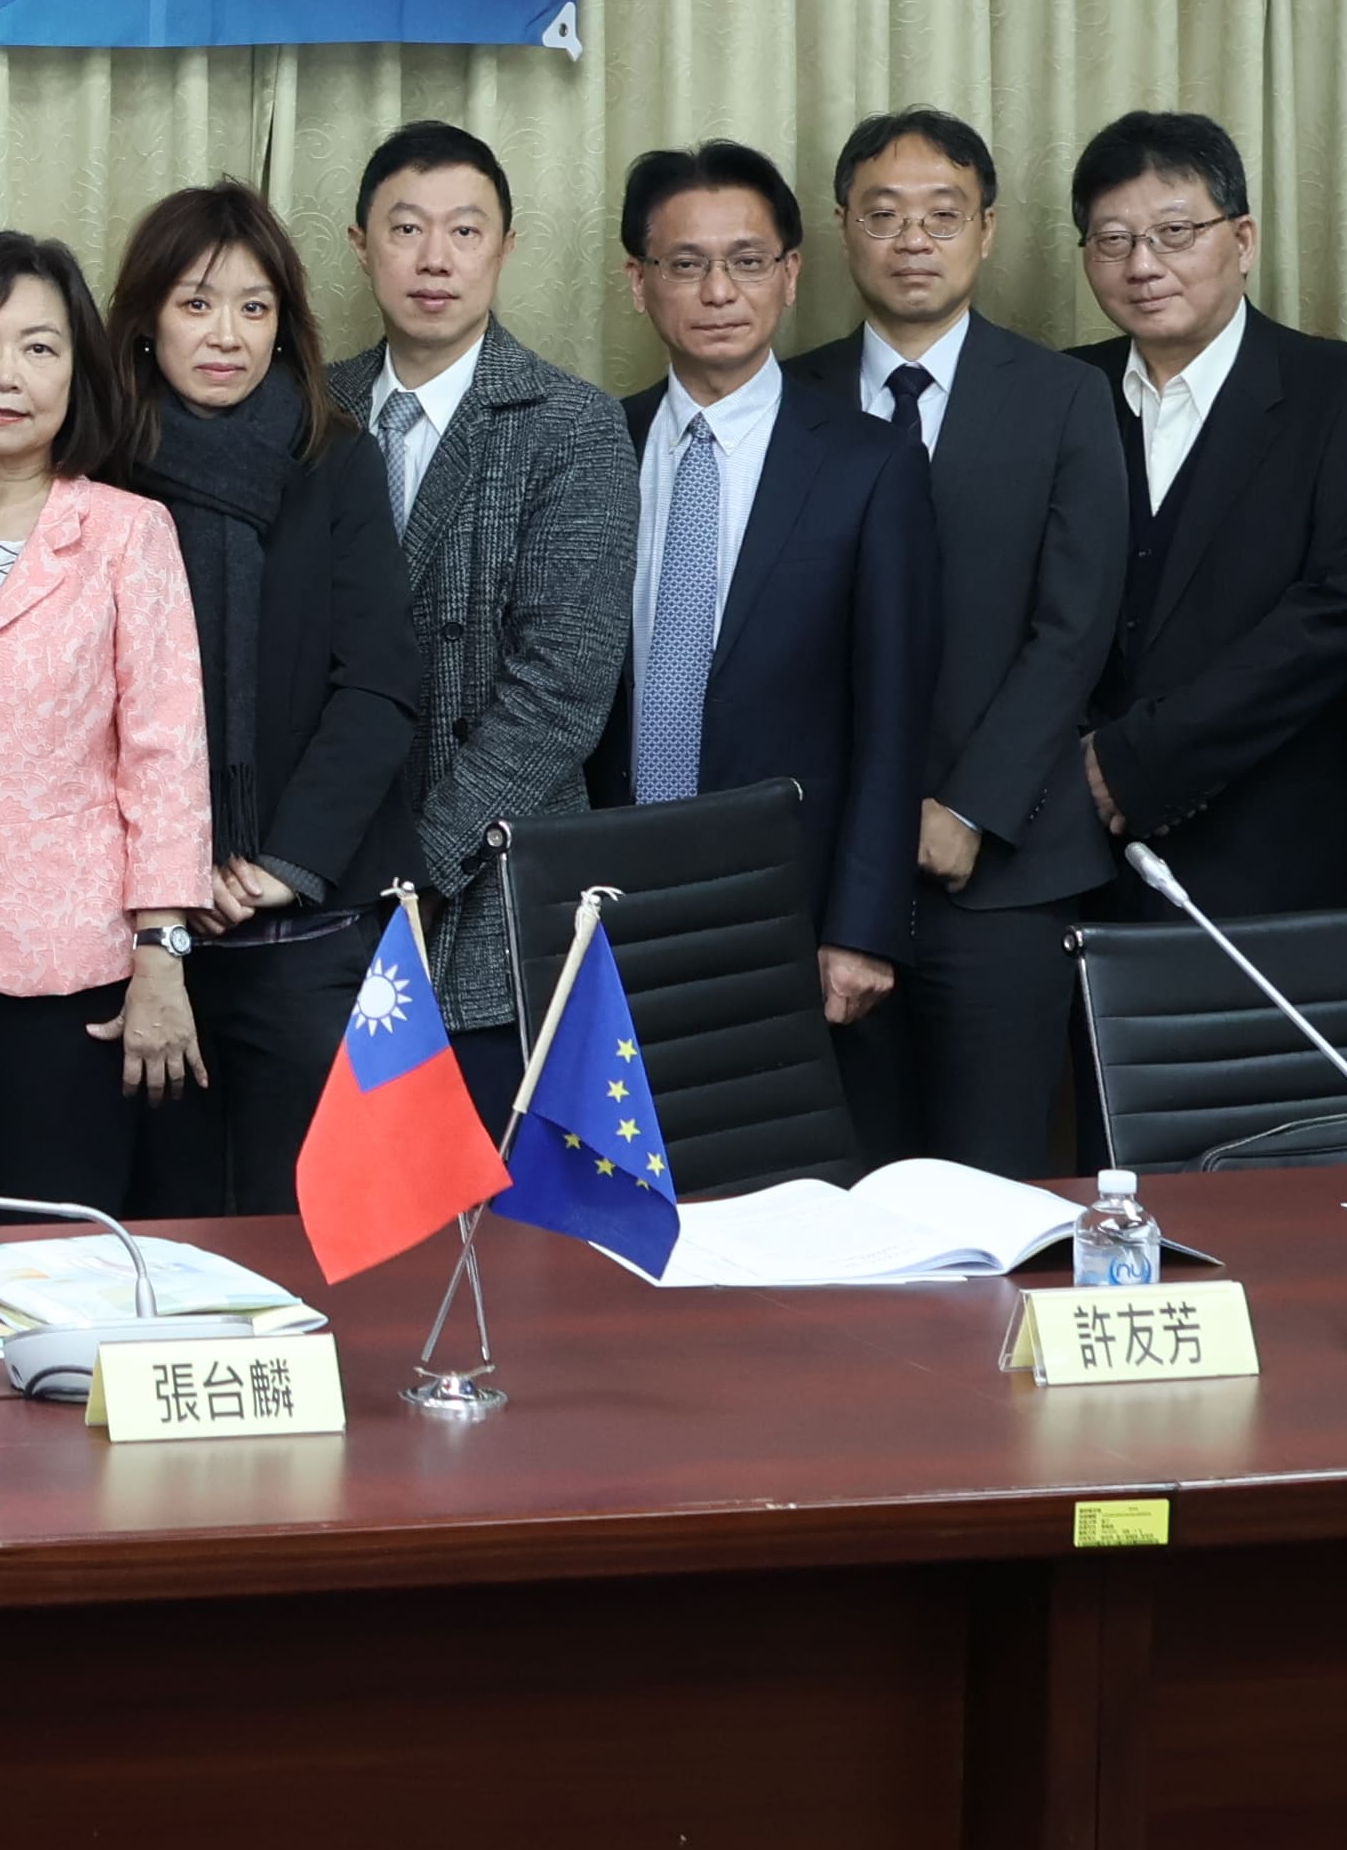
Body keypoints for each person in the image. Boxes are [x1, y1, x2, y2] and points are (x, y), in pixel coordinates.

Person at [108, 183, 426, 1219]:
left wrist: (280, 865)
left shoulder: (335, 457)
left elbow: (377, 685)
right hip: (138, 939)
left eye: (255, 307)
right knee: (160, 1222)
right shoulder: (98, 469)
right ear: (147, 320)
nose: (227, 335)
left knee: (315, 1229)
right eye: (197, 304)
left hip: (305, 929)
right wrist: (173, 876)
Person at [597, 146, 936, 1112]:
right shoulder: (594, 443)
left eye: (747, 261)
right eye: (685, 263)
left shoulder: (870, 463)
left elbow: (895, 714)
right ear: (638, 282)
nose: (719, 291)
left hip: (793, 907)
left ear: (789, 276)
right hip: (606, 901)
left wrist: (863, 925)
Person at [0, 233, 213, 1212]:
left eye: (38, 348)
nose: (5, 376)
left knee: (53, 1249)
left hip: (69, 972)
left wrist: (161, 954)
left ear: (78, 373)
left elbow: (165, 754)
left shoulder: (125, 532)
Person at [827, 109, 1123, 1173]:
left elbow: (1073, 629)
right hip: (827, 878)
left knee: (993, 1182)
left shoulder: (1065, 396)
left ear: (987, 231)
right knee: (840, 1187)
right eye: (884, 214)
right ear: (843, 228)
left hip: (1005, 872)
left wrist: (969, 809)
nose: (914, 239)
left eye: (943, 215)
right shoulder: (792, 392)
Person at [1065, 112, 1347, 925]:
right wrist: (1078, 766)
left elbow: (1339, 614)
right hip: (1079, 849)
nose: (1143, 265)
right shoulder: (1056, 393)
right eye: (1113, 240)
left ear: (1244, 239)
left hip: (1286, 848)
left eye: (1175, 232)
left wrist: (1137, 760)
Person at [329, 123, 634, 1080]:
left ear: (505, 247)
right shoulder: (311, 410)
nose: (435, 259)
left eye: (465, 231)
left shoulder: (571, 425)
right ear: (360, 245)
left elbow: (560, 692)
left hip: (489, 891)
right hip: (316, 889)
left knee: (485, 1163)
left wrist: (417, 871)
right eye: (406, 228)